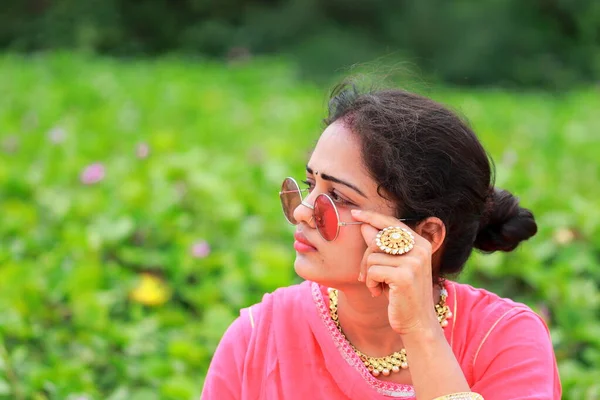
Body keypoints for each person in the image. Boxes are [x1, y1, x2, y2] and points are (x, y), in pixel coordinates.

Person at [201, 81, 562, 399]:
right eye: (311, 185)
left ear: (426, 234)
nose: (302, 212)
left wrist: (419, 330)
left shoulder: (504, 339)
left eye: (339, 197)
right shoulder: (257, 336)